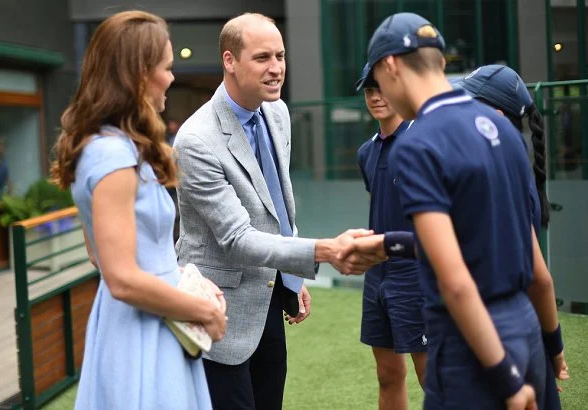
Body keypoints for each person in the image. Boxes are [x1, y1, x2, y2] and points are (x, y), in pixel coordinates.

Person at [352, 12, 566, 409]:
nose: (379, 93)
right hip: (526, 331)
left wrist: (506, 378)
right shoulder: (501, 127)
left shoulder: (418, 145)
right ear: (441, 62)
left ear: (390, 66)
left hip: (474, 346)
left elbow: (456, 282)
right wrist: (552, 347)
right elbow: (538, 273)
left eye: (378, 81)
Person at [174, 12, 385, 410]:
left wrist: (291, 278)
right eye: (262, 58)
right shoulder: (195, 140)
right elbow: (236, 239)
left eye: (281, 56)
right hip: (216, 310)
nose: (276, 69)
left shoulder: (277, 113)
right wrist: (322, 250)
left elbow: (274, 206)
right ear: (229, 61)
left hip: (267, 298)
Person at [50, 10, 226, 409]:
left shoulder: (108, 148)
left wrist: (181, 275)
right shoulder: (113, 155)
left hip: (148, 322)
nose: (172, 77)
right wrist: (204, 312)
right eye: (166, 67)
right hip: (144, 333)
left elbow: (106, 255)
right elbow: (123, 279)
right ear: (139, 75)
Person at [456, 64, 570, 409]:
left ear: (496, 113)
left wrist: (556, 346)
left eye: (470, 102)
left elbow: (540, 278)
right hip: (526, 328)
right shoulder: (513, 158)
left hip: (506, 330)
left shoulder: (499, 168)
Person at [354, 63, 426, 409]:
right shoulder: (366, 152)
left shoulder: (421, 143)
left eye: (381, 88)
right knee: (387, 375)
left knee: (433, 379)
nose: (375, 97)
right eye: (369, 90)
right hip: (377, 276)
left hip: (416, 273)